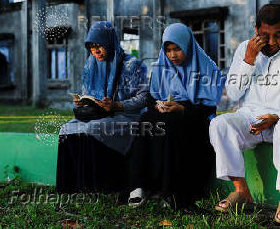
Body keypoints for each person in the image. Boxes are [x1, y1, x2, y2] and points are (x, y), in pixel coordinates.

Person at [209, 4, 280, 224]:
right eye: (264, 35)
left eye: (278, 36)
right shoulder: (246, 48)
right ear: (256, 29)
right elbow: (233, 92)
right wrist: (248, 59)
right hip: (252, 117)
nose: (271, 42)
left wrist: (278, 116)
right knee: (219, 124)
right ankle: (242, 192)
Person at [128, 23, 225, 209]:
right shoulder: (162, 67)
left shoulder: (207, 68)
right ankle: (139, 186)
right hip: (167, 112)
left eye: (177, 49)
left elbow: (209, 109)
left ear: (187, 45)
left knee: (172, 124)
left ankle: (171, 191)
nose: (173, 55)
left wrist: (182, 109)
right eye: (169, 50)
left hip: (195, 121)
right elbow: (151, 97)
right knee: (145, 121)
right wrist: (158, 105)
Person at [56, 21, 148, 194]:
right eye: (92, 47)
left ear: (110, 42)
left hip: (127, 117)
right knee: (66, 129)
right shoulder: (91, 65)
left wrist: (117, 105)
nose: (96, 51)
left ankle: (100, 185)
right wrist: (83, 102)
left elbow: (144, 98)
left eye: (100, 46)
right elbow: (87, 92)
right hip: (98, 114)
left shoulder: (132, 65)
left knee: (93, 128)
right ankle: (71, 186)